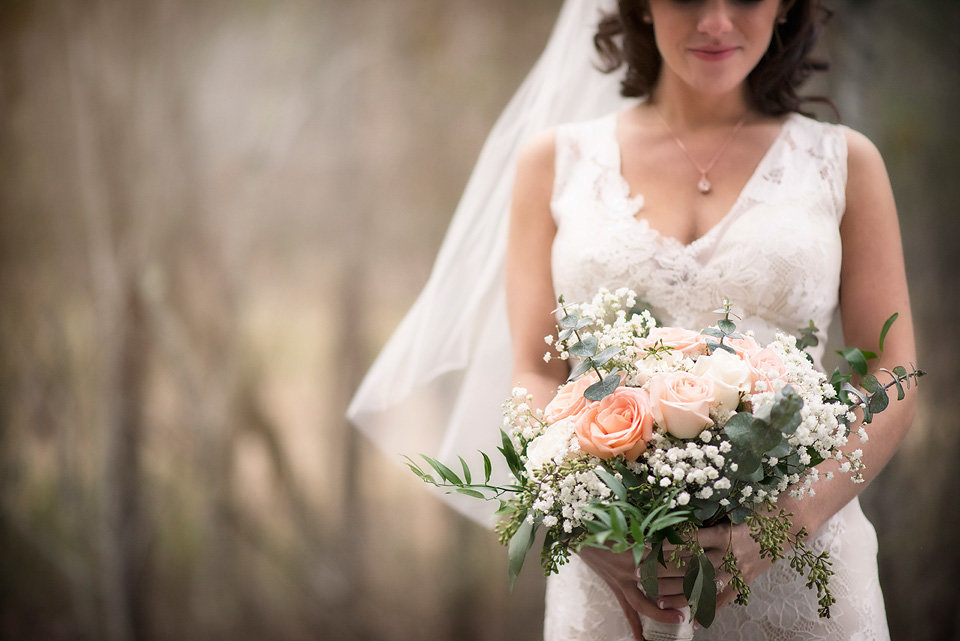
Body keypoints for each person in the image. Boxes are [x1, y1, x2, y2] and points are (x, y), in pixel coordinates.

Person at [505, 1, 915, 640]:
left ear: (785, 7)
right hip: (617, 576)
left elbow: (894, 373)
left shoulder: (845, 163)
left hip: (805, 575)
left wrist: (789, 520)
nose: (717, 22)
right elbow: (535, 369)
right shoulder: (554, 163)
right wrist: (582, 526)